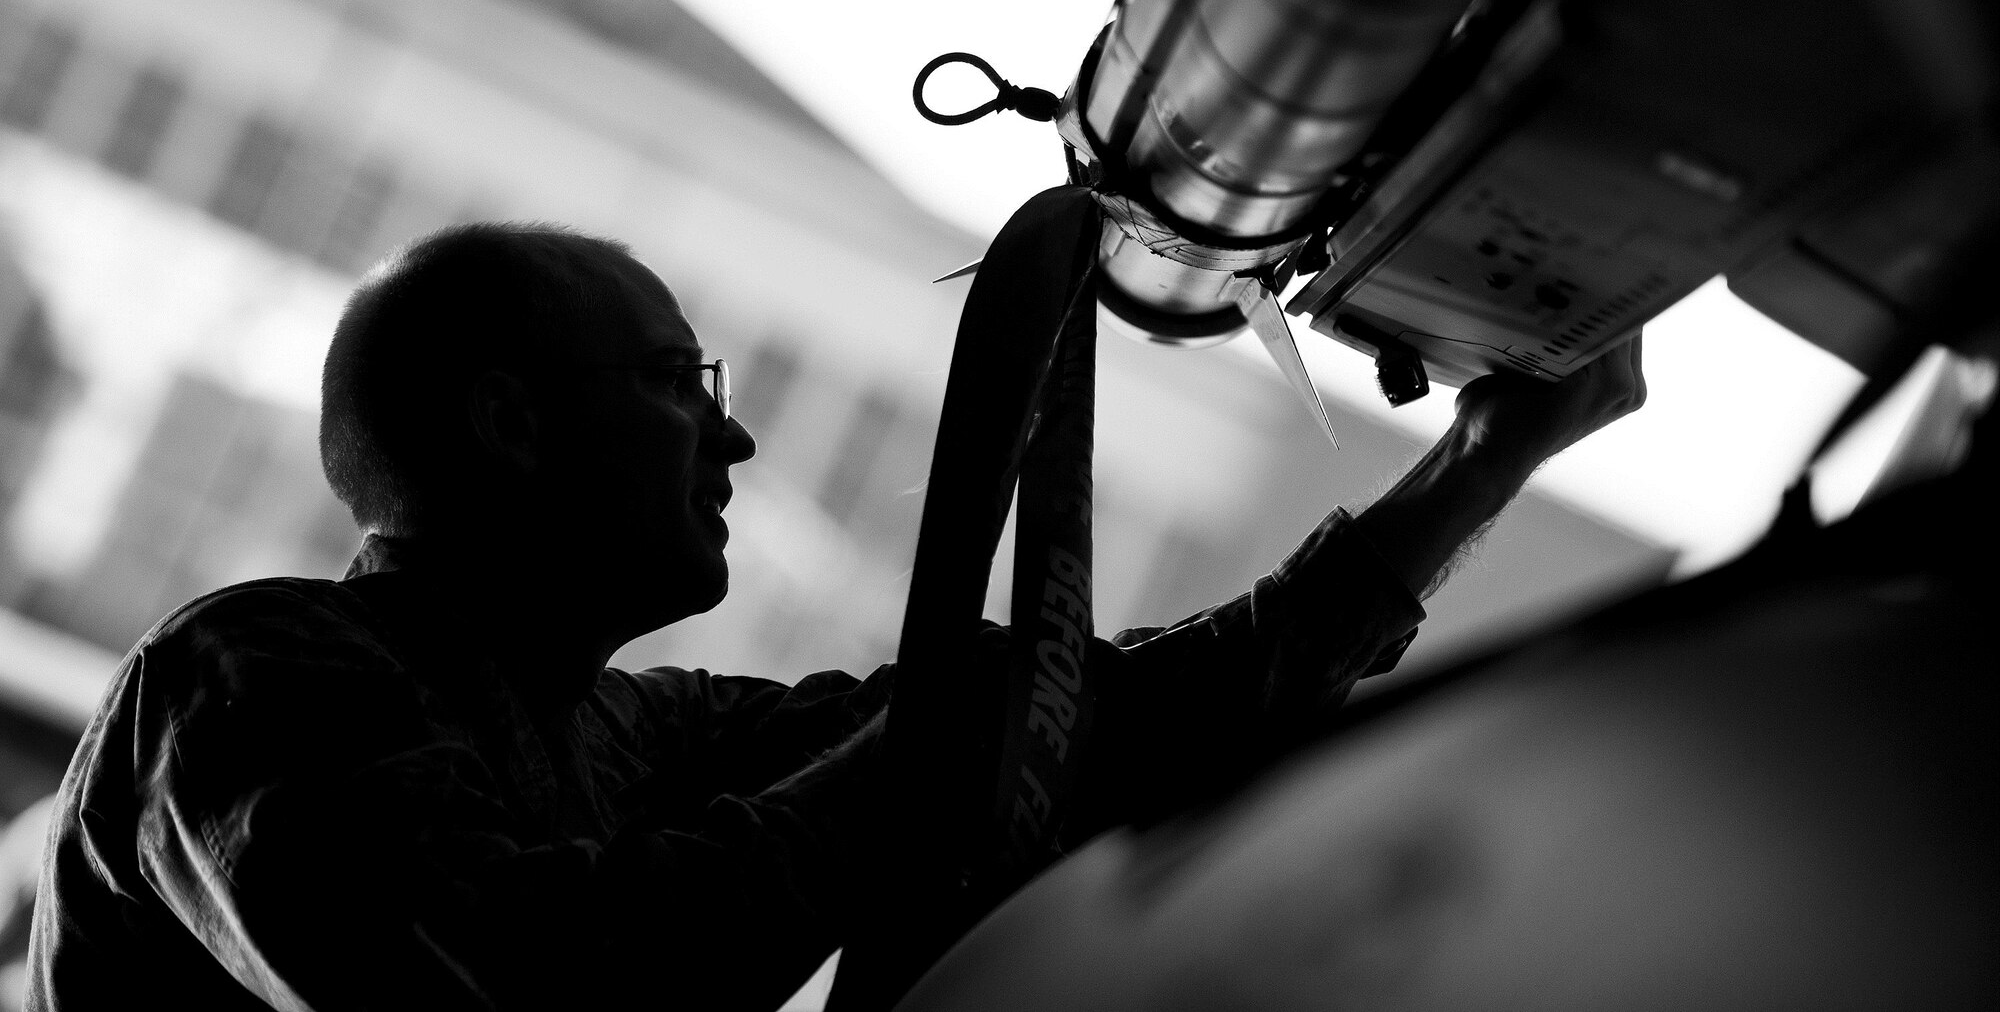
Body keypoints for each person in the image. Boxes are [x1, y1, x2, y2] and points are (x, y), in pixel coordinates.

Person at [24, 222, 1643, 1011]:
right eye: (681, 385)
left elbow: (1067, 712)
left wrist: (1480, 468)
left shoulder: (624, 731)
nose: (729, 436)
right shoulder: (244, 678)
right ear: (512, 425)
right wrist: (943, 739)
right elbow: (564, 987)